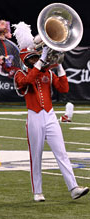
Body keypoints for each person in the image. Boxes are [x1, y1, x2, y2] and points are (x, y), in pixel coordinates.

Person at [13, 23, 89, 202]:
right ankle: (37, 191)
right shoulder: (19, 74)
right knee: (36, 156)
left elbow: (64, 88)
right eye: (32, 58)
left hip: (50, 115)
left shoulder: (47, 71)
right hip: (34, 117)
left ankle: (73, 188)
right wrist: (42, 61)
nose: (37, 59)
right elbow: (28, 81)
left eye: (36, 57)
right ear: (26, 60)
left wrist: (59, 66)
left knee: (61, 153)